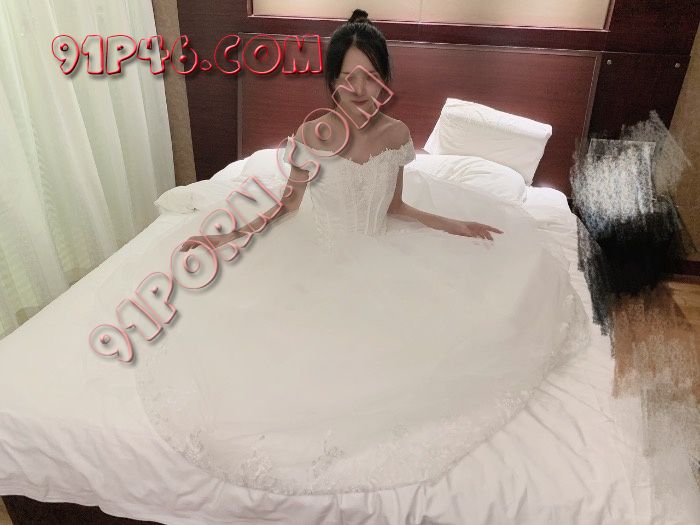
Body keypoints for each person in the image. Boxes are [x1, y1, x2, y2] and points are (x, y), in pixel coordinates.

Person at [135, 9, 589, 495]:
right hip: (316, 254)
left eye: (370, 76)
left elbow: (396, 207)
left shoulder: (397, 136)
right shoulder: (312, 137)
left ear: (384, 79)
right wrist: (222, 237)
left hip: (380, 254)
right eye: (347, 77)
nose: (358, 88)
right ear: (332, 80)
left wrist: (454, 225)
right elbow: (286, 207)